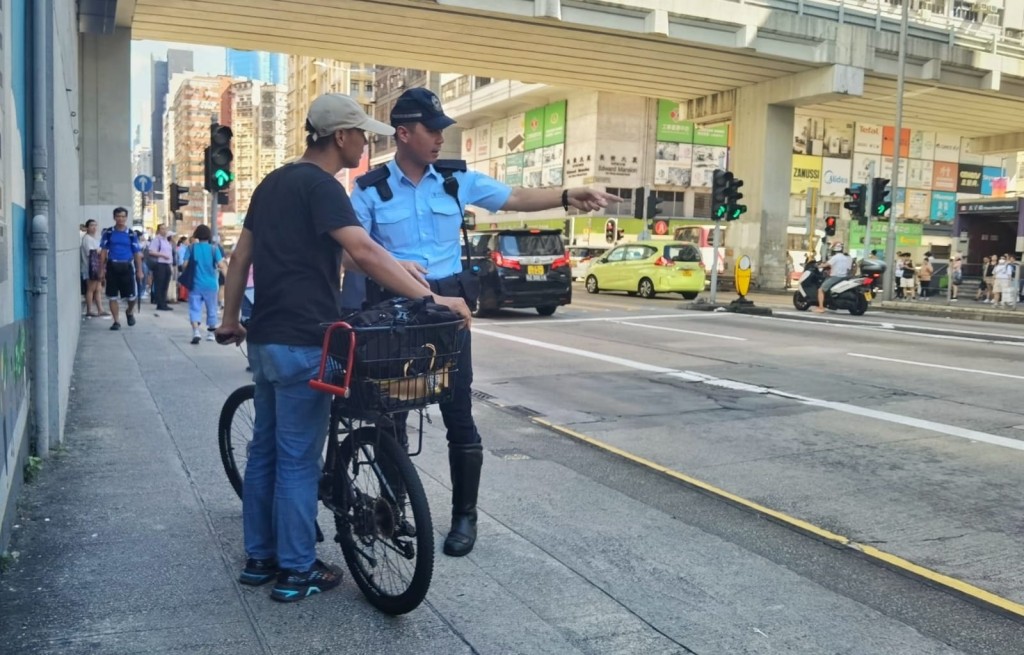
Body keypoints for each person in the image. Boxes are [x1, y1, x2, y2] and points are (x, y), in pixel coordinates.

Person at [214, 93, 471, 603]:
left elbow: (248, 254)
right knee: (296, 458)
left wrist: (227, 320)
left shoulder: (273, 183)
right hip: (305, 340)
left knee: (264, 449)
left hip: (264, 338)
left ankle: (259, 558)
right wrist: (435, 298)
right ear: (340, 137)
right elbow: (362, 249)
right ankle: (296, 570)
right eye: (363, 134)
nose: (367, 143)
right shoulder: (323, 186)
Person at [349, 87, 620, 558]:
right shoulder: (370, 189)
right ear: (404, 133)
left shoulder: (456, 182)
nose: (439, 138)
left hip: (448, 308)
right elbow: (352, 255)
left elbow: (514, 196)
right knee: (388, 412)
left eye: (441, 130)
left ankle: (464, 517)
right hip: (394, 310)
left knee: (458, 410)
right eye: (432, 129)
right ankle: (394, 507)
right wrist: (396, 265)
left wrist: (567, 194)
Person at [98, 207, 144, 330]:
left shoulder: (131, 234)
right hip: (112, 267)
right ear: (114, 217)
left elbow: (137, 253)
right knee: (112, 296)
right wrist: (101, 269)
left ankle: (129, 312)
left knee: (131, 297)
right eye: (118, 216)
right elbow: (103, 251)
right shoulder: (108, 233)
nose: (121, 219)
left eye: (123, 216)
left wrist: (139, 270)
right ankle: (116, 321)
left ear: (126, 218)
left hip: (127, 267)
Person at [181, 224, 225, 344]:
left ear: (197, 235)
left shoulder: (191, 248)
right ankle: (210, 333)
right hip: (211, 285)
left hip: (195, 284)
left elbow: (184, 265)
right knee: (211, 308)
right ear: (209, 235)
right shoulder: (214, 249)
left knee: (195, 308)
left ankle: (196, 332)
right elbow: (221, 265)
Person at [814, 241, 852, 313]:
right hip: (844, 277)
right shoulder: (846, 257)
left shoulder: (835, 257)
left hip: (836, 277)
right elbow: (848, 268)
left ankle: (821, 307)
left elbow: (826, 265)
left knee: (821, 290)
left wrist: (818, 266)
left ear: (834, 250)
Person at [80, 219, 106, 317]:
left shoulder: (95, 238)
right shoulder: (87, 239)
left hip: (97, 268)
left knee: (98, 288)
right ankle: (89, 310)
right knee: (91, 289)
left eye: (95, 225)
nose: (94, 227)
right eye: (91, 225)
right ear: (87, 227)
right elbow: (91, 253)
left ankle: (100, 309)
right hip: (90, 268)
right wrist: (101, 251)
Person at [148, 224, 175, 311]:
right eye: (162, 229)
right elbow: (151, 251)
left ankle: (163, 302)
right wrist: (162, 255)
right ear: (159, 230)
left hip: (167, 264)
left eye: (165, 229)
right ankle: (159, 303)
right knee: (160, 284)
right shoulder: (157, 240)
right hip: (160, 264)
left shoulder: (166, 241)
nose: (164, 231)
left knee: (165, 284)